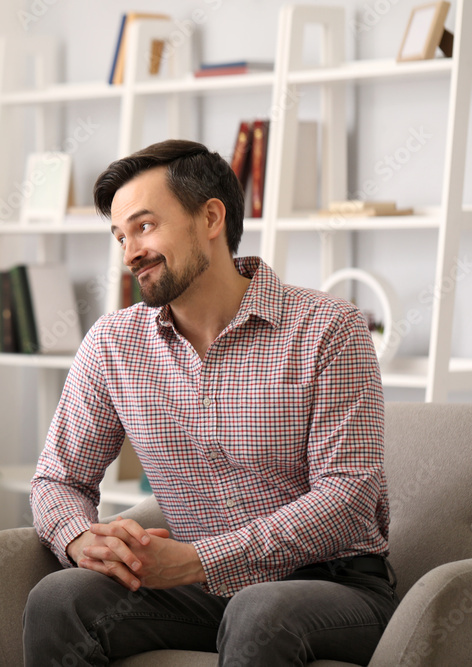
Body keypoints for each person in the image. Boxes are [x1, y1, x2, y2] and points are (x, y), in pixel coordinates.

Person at [24, 139, 397, 666]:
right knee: (59, 599)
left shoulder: (328, 328)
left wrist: (200, 560)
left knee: (259, 610)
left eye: (145, 226)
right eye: (120, 235)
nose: (130, 251)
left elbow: (348, 496)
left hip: (334, 588)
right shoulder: (112, 344)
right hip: (200, 595)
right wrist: (81, 537)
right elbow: (58, 479)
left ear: (211, 218)